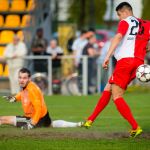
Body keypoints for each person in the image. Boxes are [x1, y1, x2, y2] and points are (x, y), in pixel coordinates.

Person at [82, 2, 150, 137]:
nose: (119, 18)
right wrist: (145, 49)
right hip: (138, 63)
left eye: (119, 15)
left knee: (117, 96)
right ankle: (90, 119)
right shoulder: (146, 24)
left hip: (125, 61)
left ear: (124, 12)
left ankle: (135, 127)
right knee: (108, 88)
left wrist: (107, 56)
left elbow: (118, 37)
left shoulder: (125, 22)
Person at [0, 68, 82, 129]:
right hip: (44, 115)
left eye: (24, 78)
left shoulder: (32, 89)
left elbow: (38, 108)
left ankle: (34, 124)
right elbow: (23, 94)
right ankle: (77, 124)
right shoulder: (29, 85)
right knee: (51, 125)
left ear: (29, 79)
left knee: (2, 119)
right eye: (20, 77)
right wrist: (15, 98)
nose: (21, 80)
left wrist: (32, 123)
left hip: (35, 118)